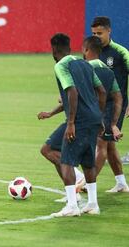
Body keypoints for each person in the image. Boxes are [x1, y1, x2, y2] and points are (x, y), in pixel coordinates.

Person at [49, 33, 106, 217]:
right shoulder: (84, 64)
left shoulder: (61, 66)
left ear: (54, 49)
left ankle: (72, 206)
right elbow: (102, 91)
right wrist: (99, 116)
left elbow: (72, 91)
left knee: (66, 161)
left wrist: (71, 122)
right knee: (88, 162)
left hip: (79, 121)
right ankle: (92, 204)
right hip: (93, 119)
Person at [91, 16, 129, 192]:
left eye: (100, 33)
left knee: (101, 143)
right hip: (99, 105)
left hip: (115, 105)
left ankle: (85, 183)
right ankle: (121, 183)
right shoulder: (93, 52)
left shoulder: (120, 52)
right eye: (93, 33)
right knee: (110, 144)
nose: (96, 36)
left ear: (109, 31)